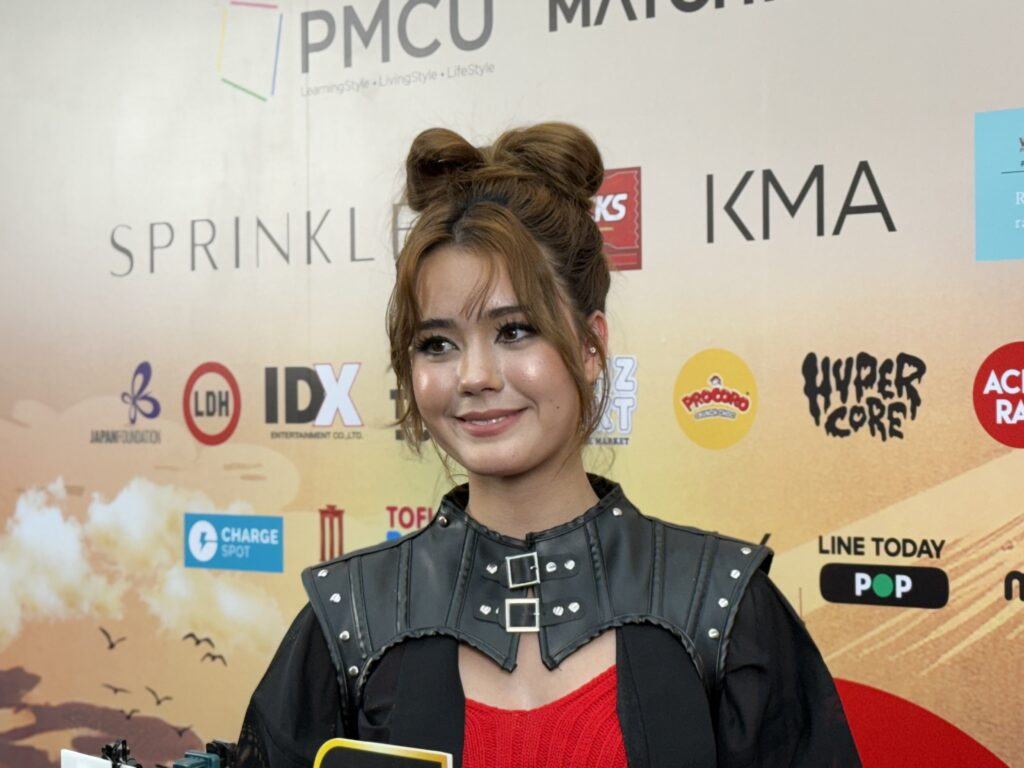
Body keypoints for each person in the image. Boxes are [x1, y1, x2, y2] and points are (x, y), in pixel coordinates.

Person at [236, 123, 862, 768]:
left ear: (590, 346)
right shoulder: (349, 620)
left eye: (514, 331)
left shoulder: (723, 608)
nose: (474, 376)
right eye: (437, 344)